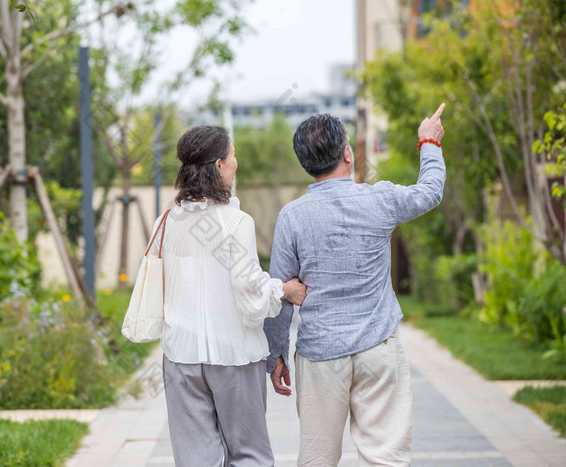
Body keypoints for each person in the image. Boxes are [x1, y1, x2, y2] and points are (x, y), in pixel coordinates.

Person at [264, 105, 447, 466]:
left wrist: (277, 354)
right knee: (385, 456)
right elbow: (429, 192)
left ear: (306, 164)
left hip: (320, 354)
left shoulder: (292, 216)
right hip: (378, 347)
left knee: (317, 457)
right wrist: (429, 141)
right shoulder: (380, 199)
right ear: (347, 154)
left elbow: (280, 291)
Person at [149, 125, 307, 466]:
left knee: (195, 458)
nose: (236, 163)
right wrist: (284, 289)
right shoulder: (236, 222)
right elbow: (251, 297)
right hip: (233, 355)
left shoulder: (166, 221)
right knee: (249, 454)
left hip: (181, 356)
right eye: (233, 156)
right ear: (219, 165)